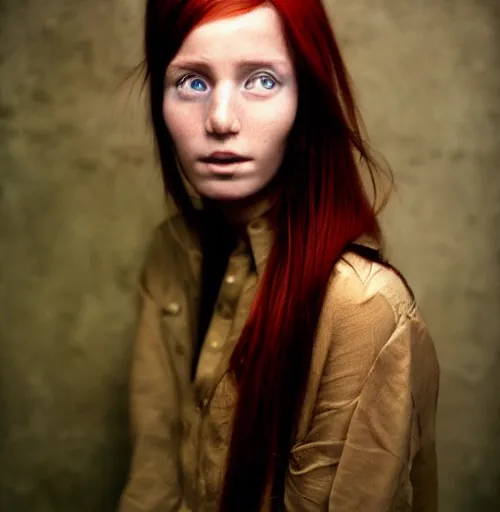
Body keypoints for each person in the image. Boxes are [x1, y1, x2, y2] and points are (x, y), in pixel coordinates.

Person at [118, 1, 440, 511]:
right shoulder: (171, 254)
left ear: (306, 101)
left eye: (262, 80)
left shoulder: (363, 307)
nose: (221, 120)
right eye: (192, 83)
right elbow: (153, 479)